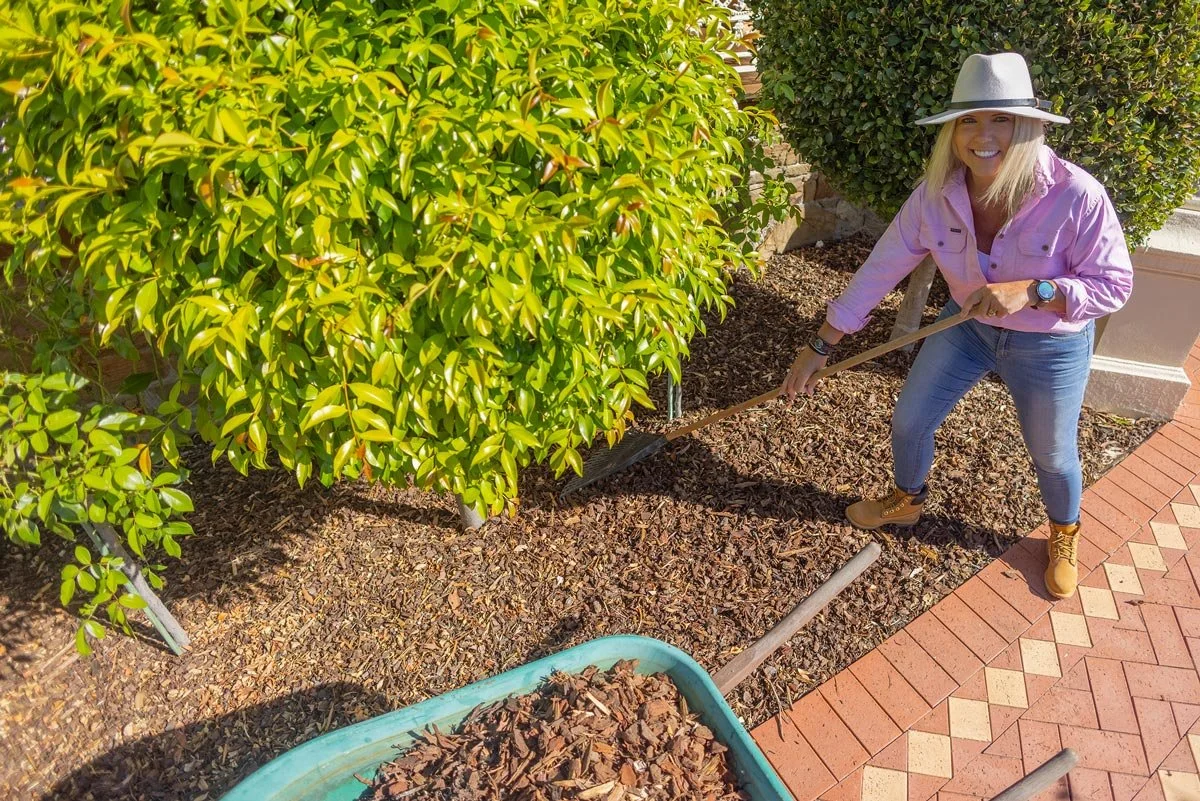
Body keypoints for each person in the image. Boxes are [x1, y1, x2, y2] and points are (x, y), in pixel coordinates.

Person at [782, 52, 1133, 600]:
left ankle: (1064, 532)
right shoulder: (936, 194)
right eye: (968, 120)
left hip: (1051, 347)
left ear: (1029, 127)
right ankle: (908, 499)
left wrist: (1038, 290)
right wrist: (822, 343)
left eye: (1000, 119)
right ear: (952, 131)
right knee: (910, 419)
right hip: (966, 327)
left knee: (1053, 454)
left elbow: (1114, 285)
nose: (982, 134)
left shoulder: (1076, 195)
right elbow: (882, 267)